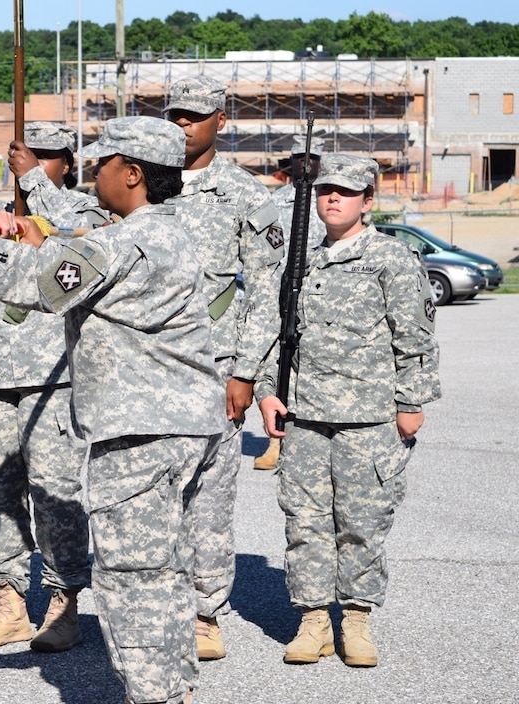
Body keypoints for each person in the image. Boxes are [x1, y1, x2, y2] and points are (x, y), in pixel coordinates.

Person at [0, 115, 224, 704]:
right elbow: (72, 240)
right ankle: (175, 695)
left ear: (133, 174)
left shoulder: (126, 243)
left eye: (102, 164)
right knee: (164, 572)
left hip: (141, 434)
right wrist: (19, 225)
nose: (93, 173)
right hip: (181, 427)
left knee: (133, 579)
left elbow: (31, 280)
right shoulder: (167, 232)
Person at [256, 153, 440, 667]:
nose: (331, 198)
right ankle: (313, 619)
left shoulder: (392, 259)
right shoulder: (300, 260)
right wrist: (269, 391)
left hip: (371, 416)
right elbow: (276, 335)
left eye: (344, 191)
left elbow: (416, 338)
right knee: (305, 522)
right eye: (323, 190)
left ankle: (356, 620)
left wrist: (411, 401)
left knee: (363, 521)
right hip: (306, 416)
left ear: (368, 201)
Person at [0, 121, 109, 654]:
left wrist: (34, 190)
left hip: (52, 378)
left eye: (45, 156)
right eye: (23, 155)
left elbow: (76, 258)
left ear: (66, 162)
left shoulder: (84, 215)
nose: (29, 163)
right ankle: (9, 602)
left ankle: (64, 601)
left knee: (55, 494)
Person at [163, 75, 286, 661]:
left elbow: (266, 293)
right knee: (146, 493)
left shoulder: (245, 195)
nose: (183, 124)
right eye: (176, 115)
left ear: (220, 120)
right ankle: (154, 604)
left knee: (209, 498)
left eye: (195, 116)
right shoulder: (143, 184)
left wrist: (244, 372)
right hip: (145, 369)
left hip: (214, 371)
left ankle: (206, 611)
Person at [254, 133, 326, 471]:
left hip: (320, 298)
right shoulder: (275, 201)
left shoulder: (329, 199)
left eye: (312, 157)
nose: (305, 163)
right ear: (292, 161)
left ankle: (313, 437)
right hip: (281, 296)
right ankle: (275, 440)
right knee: (277, 365)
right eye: (300, 157)